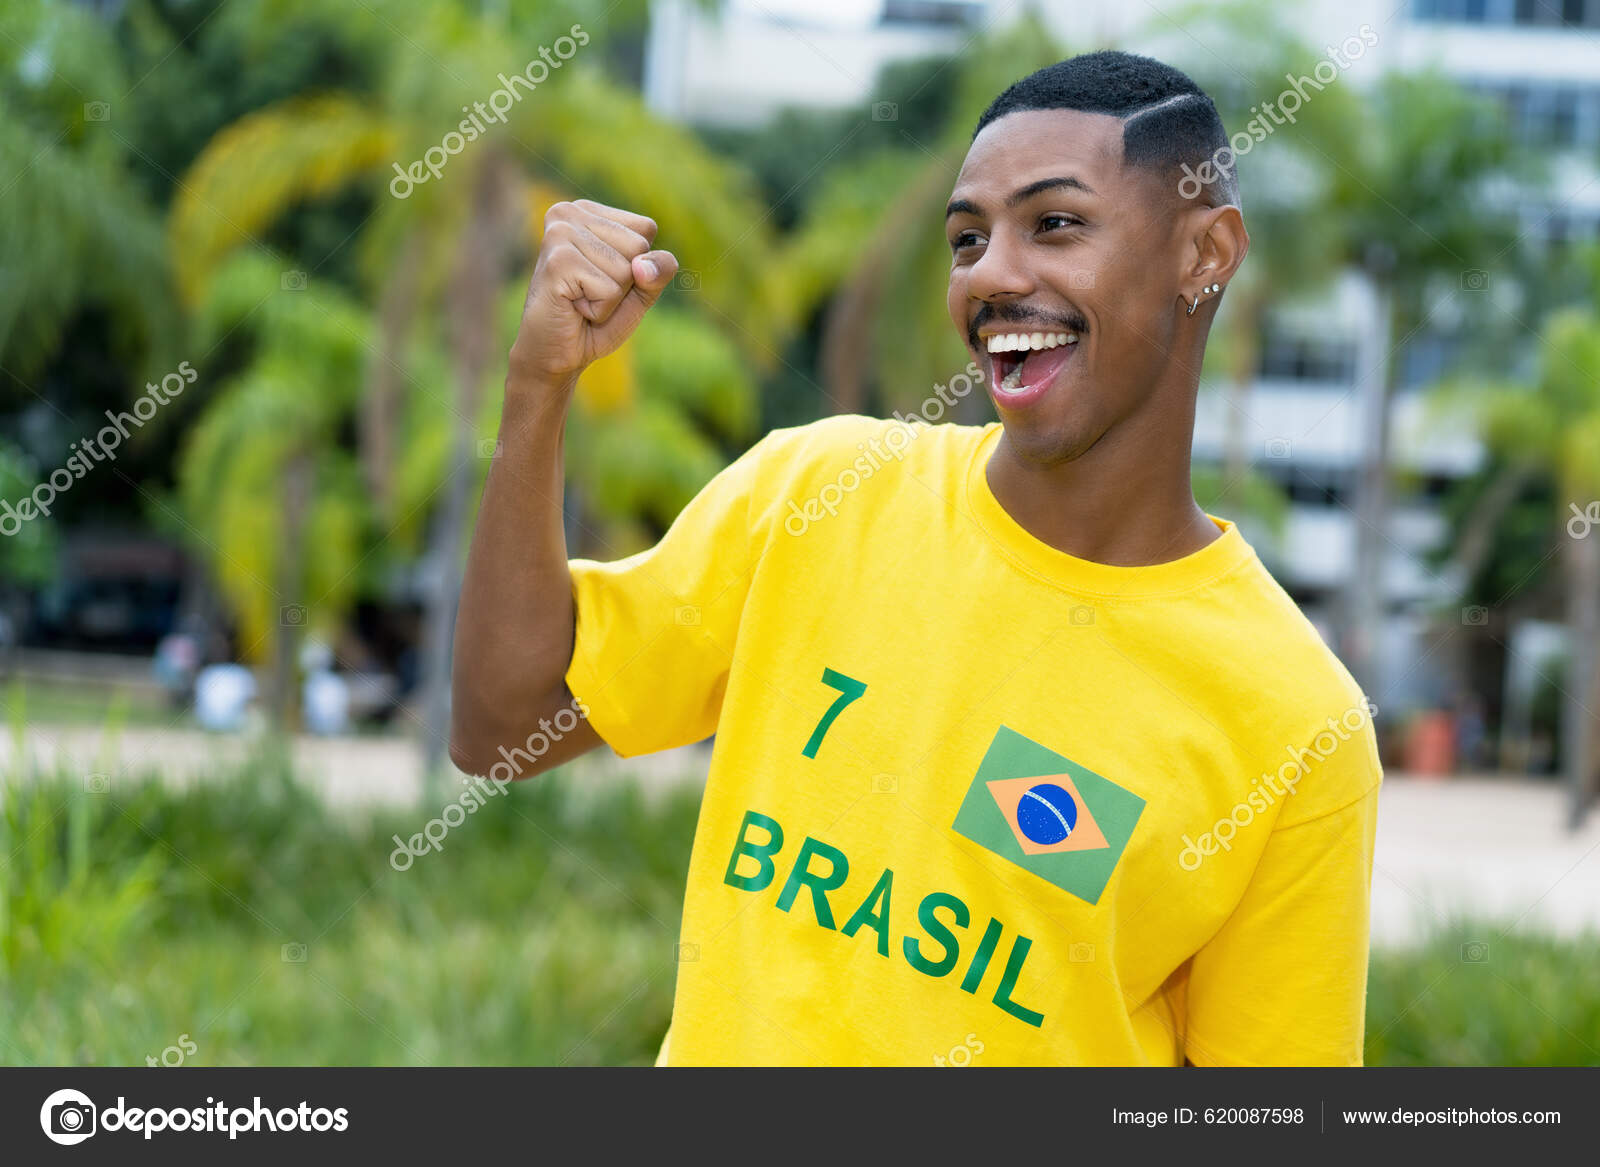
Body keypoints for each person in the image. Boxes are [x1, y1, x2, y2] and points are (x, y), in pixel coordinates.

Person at [451, 50, 1382, 1067]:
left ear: (1204, 252)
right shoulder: (814, 493)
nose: (991, 275)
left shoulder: (1298, 725)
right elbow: (504, 720)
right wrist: (538, 386)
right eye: (966, 240)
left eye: (1055, 224)